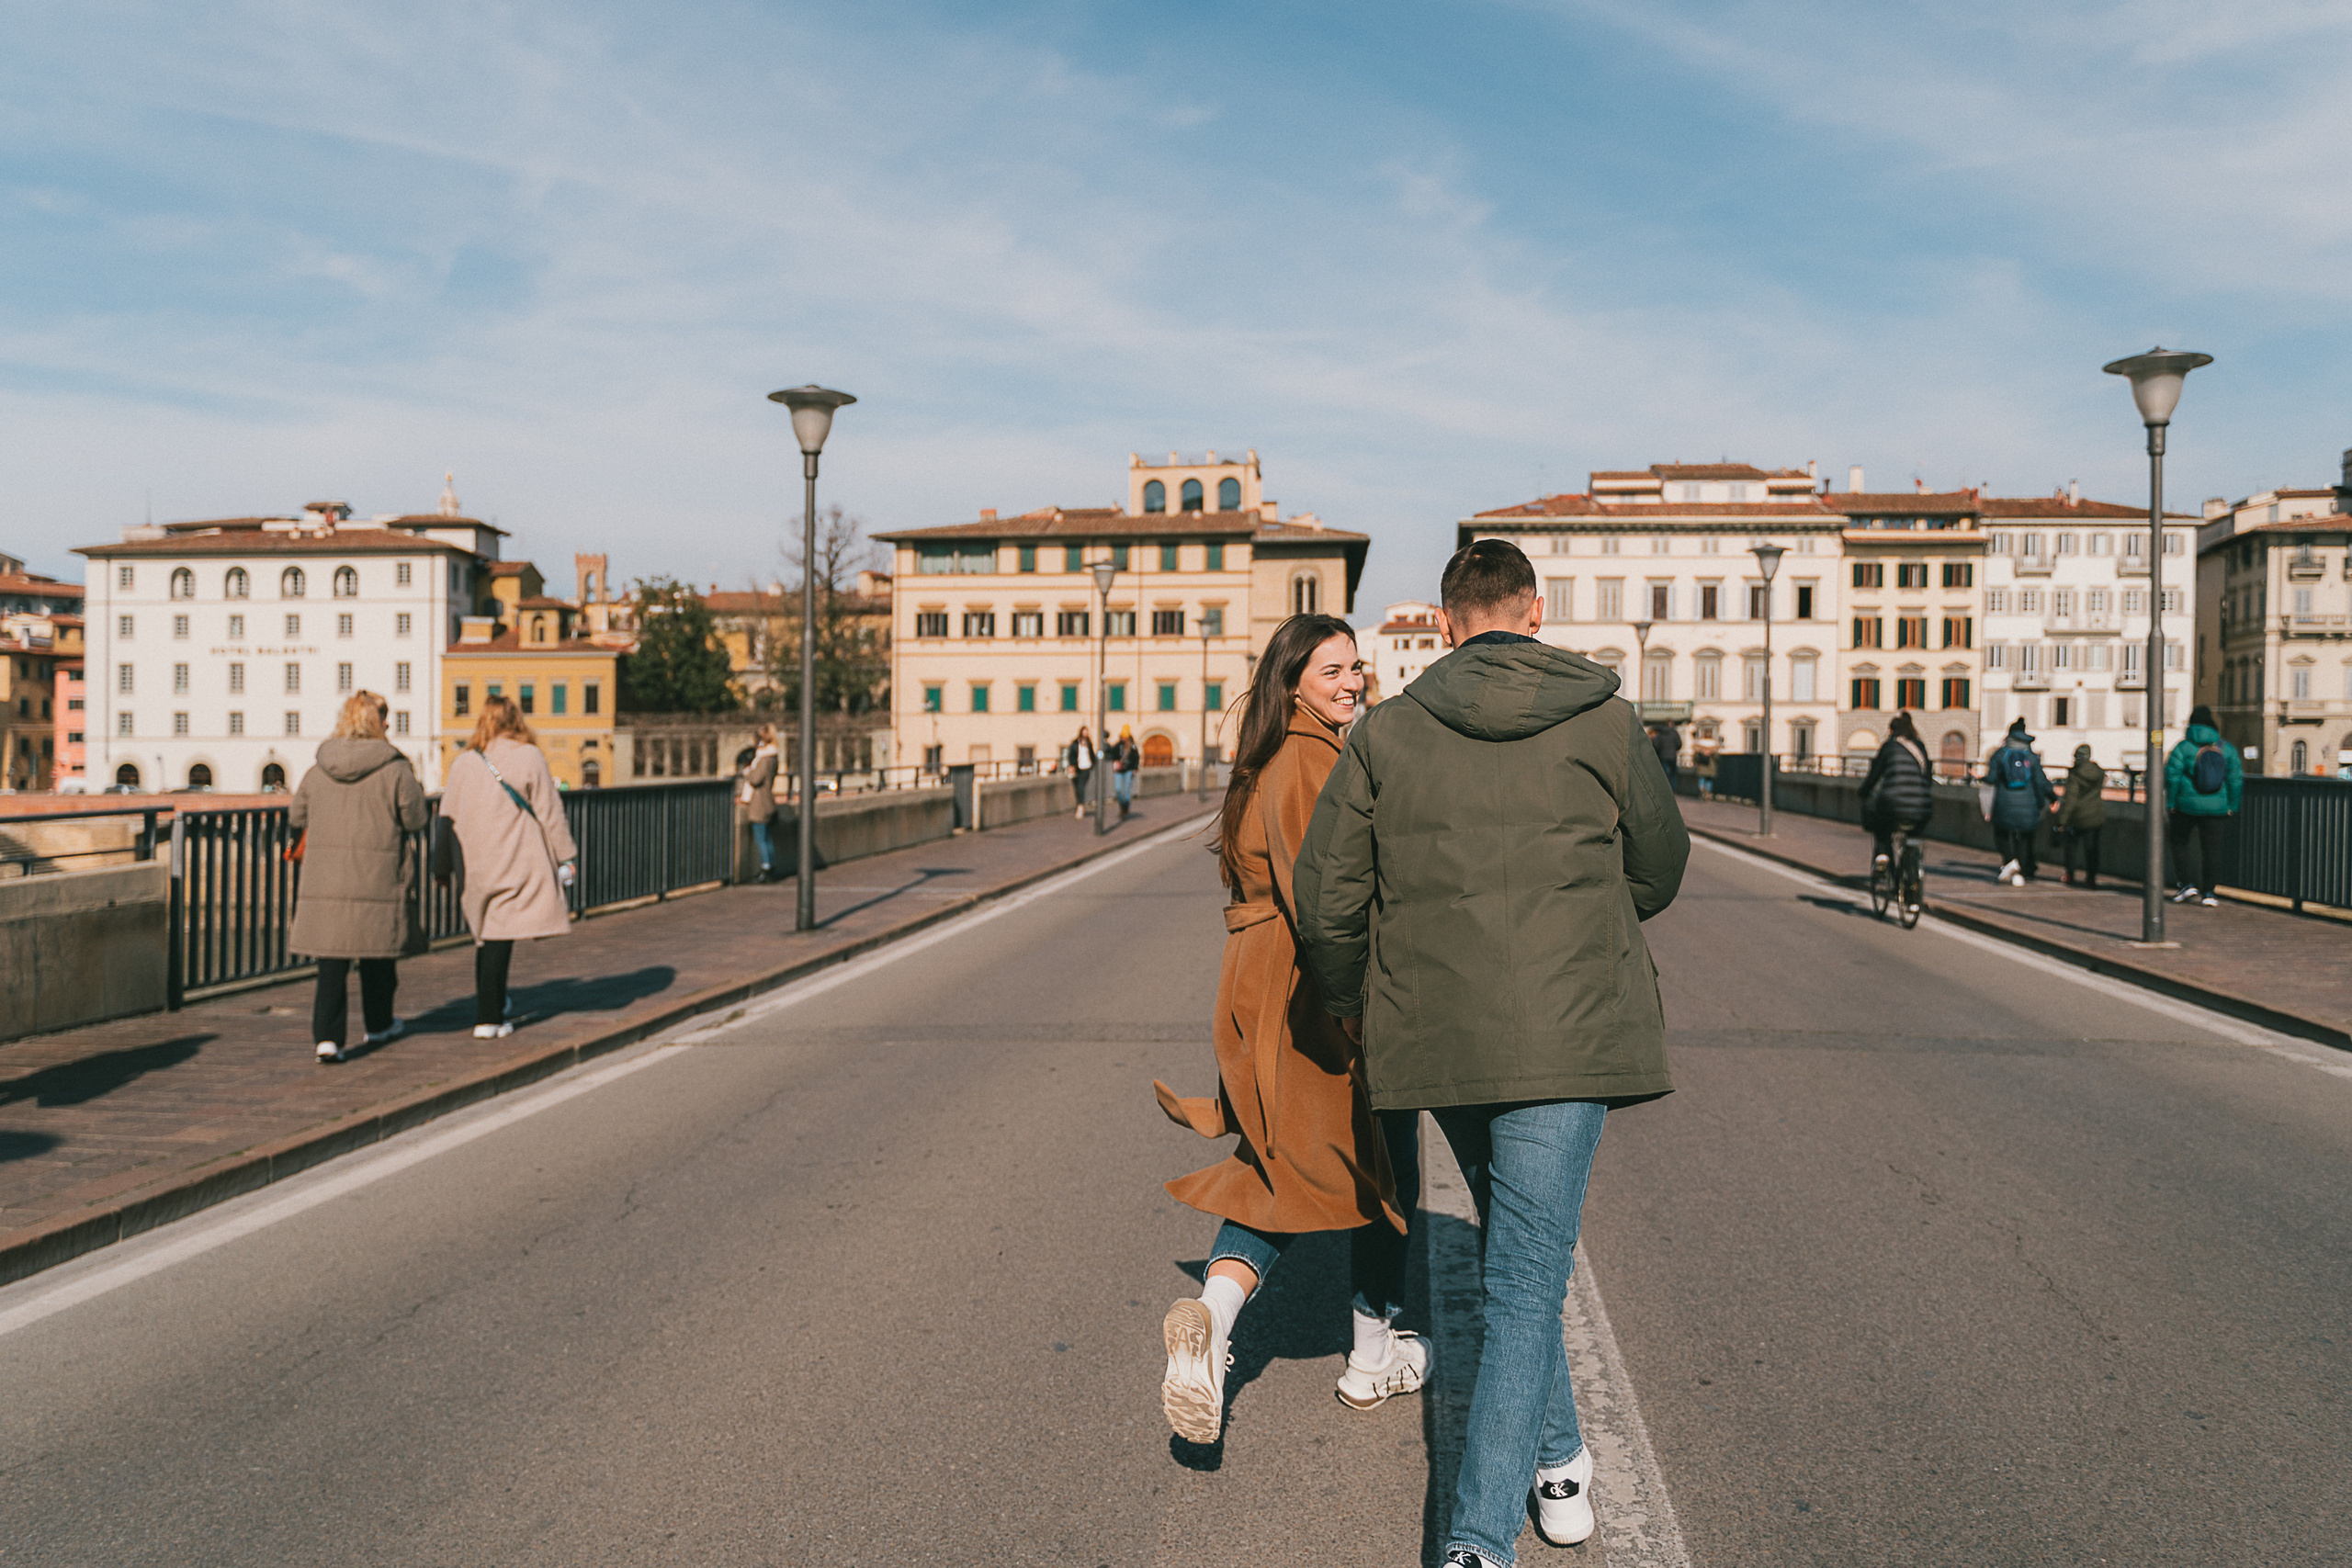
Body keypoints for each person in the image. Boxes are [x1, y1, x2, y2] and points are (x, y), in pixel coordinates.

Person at [1295, 538, 1689, 1564]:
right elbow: (1659, 864)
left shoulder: (1385, 733)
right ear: (1537, 608)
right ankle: (1479, 1543)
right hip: (1570, 1032)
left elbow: (1326, 899)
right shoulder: (1604, 718)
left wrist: (1349, 1005)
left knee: (1517, 1266)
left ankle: (1554, 1467)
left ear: (1444, 620)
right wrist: (1586, 920)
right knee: (1521, 1280)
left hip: (1437, 1030)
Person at [1154, 613, 1428, 1446]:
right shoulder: (1311, 759)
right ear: (1291, 682)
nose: (1352, 682)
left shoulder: (1269, 756)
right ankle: (1368, 1353)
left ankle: (1216, 1314)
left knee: (1286, 1162)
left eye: (1357, 668)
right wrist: (1358, 1008)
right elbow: (1326, 901)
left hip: (1263, 975)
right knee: (1377, 1164)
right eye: (1332, 670)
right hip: (1307, 983)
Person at [288, 692, 428, 1064]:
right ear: (374, 722)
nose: (388, 725)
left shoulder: (320, 768)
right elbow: (417, 819)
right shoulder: (396, 768)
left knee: (331, 962)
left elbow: (296, 815)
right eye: (384, 718)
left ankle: (327, 1039)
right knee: (378, 955)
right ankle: (378, 1024)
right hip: (377, 876)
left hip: (326, 880)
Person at [434, 695, 580, 1039]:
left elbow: (445, 819)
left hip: (475, 862)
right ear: (516, 720)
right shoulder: (529, 756)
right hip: (515, 858)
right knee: (500, 937)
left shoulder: (464, 762)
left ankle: (494, 1005)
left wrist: (440, 865)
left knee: (488, 936)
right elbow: (550, 813)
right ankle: (489, 1017)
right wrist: (566, 855)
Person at [2165, 704, 2243, 907]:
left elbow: (2172, 777)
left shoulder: (2183, 747)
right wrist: (2232, 805)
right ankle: (2209, 893)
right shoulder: (2226, 748)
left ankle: (2186, 884)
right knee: (2212, 851)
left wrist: (2171, 803)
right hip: (2217, 807)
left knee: (2179, 842)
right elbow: (2235, 779)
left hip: (2185, 806)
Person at [1860, 712, 1935, 896]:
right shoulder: (1920, 747)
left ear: (1892, 731)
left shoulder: (1888, 747)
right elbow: (1928, 778)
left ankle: (1884, 855)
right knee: (1913, 838)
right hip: (1922, 807)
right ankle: (1913, 874)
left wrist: (1862, 792)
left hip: (1892, 805)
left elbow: (1874, 776)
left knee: (1882, 828)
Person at [1985, 718, 2057, 886]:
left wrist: (1980, 777)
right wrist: (2051, 799)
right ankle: (2022, 872)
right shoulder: (2031, 757)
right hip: (2028, 806)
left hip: (2004, 804)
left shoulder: (2000, 754)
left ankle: (2010, 862)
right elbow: (2041, 782)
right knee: (2025, 838)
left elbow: (1991, 778)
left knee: (2001, 835)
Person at [2058, 744, 2108, 886]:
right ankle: (2091, 878)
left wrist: (2061, 820)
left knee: (2071, 848)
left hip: (2077, 816)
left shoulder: (2075, 774)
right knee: (2092, 849)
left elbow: (2070, 799)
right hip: (2095, 815)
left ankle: (2070, 874)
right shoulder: (2098, 772)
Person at [741, 724, 781, 882]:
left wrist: (747, 770)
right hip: (767, 802)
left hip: (760, 804)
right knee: (766, 838)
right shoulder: (773, 757)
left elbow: (756, 779)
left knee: (761, 838)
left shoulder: (764, 759)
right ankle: (770, 866)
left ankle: (766, 869)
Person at [1111, 725, 1141, 819]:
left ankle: (1125, 808)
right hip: (1119, 771)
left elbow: (1136, 757)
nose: (1123, 738)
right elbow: (1112, 754)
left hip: (1128, 770)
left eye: (1125, 736)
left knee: (1126, 790)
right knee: (1118, 790)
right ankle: (1122, 806)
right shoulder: (1118, 745)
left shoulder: (1132, 746)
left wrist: (1135, 768)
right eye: (1122, 736)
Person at [1065, 726, 1096, 818]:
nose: (1086, 733)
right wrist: (1072, 765)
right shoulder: (1075, 743)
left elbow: (1092, 755)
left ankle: (1081, 807)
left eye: (1087, 731)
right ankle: (1079, 804)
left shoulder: (1089, 743)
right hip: (1077, 768)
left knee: (1081, 786)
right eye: (1084, 731)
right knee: (1077, 788)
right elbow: (1071, 755)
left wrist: (1093, 764)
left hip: (1086, 767)